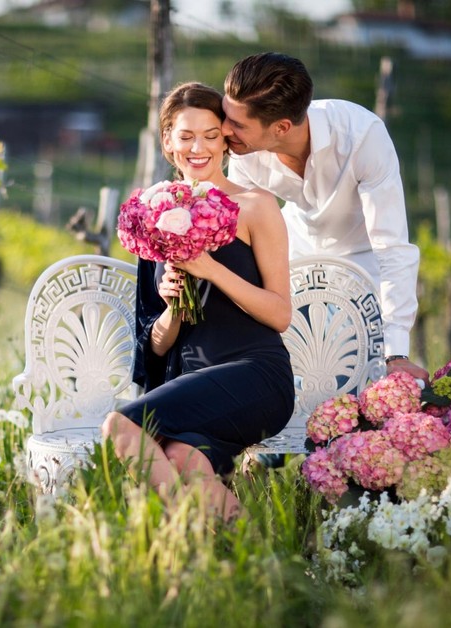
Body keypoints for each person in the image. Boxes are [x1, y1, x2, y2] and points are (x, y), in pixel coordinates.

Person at [100, 82, 295, 522]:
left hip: (256, 375)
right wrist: (171, 307)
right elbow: (155, 347)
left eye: (210, 134)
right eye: (185, 136)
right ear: (167, 140)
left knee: (121, 426)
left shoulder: (256, 206)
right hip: (193, 381)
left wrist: (210, 269)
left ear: (226, 139)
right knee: (186, 462)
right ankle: (261, 570)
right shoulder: (154, 215)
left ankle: (184, 544)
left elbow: (280, 314)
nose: (198, 147)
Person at [222, 52, 430, 384]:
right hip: (293, 254)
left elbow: (392, 248)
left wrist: (397, 353)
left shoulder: (362, 137)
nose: (224, 129)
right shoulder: (243, 150)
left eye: (238, 124)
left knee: (360, 380)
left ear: (282, 127)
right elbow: (239, 232)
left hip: (364, 263)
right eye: (225, 114)